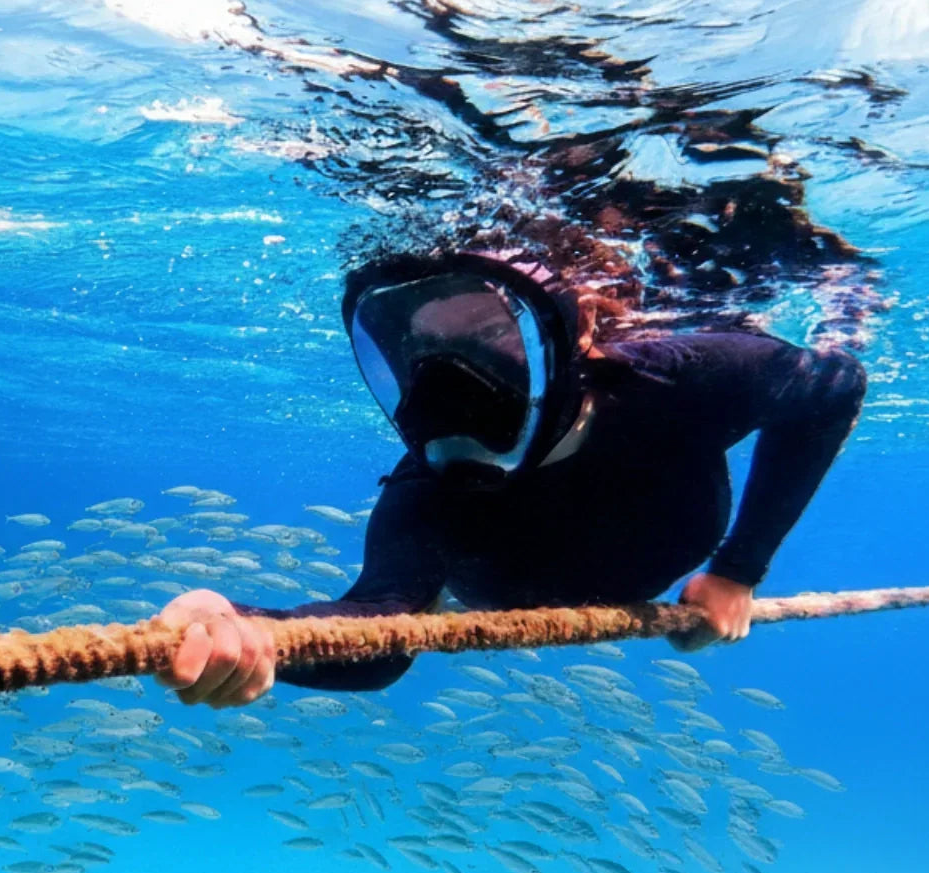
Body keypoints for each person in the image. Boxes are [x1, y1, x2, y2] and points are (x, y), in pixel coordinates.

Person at [153, 248, 867, 709]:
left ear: (573, 337)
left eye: (491, 338)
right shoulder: (429, 494)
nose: (453, 380)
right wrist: (250, 627)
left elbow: (833, 387)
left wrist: (739, 569)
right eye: (428, 351)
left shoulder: (681, 380)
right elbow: (381, 639)